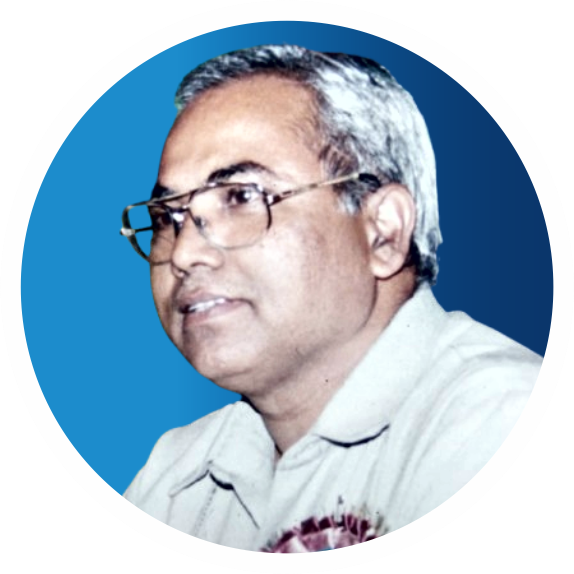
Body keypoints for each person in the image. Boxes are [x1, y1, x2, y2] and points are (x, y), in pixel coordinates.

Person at [120, 45, 541, 552]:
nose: (184, 253)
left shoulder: (504, 421)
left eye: (241, 197)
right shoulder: (175, 472)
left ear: (383, 232)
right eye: (167, 218)